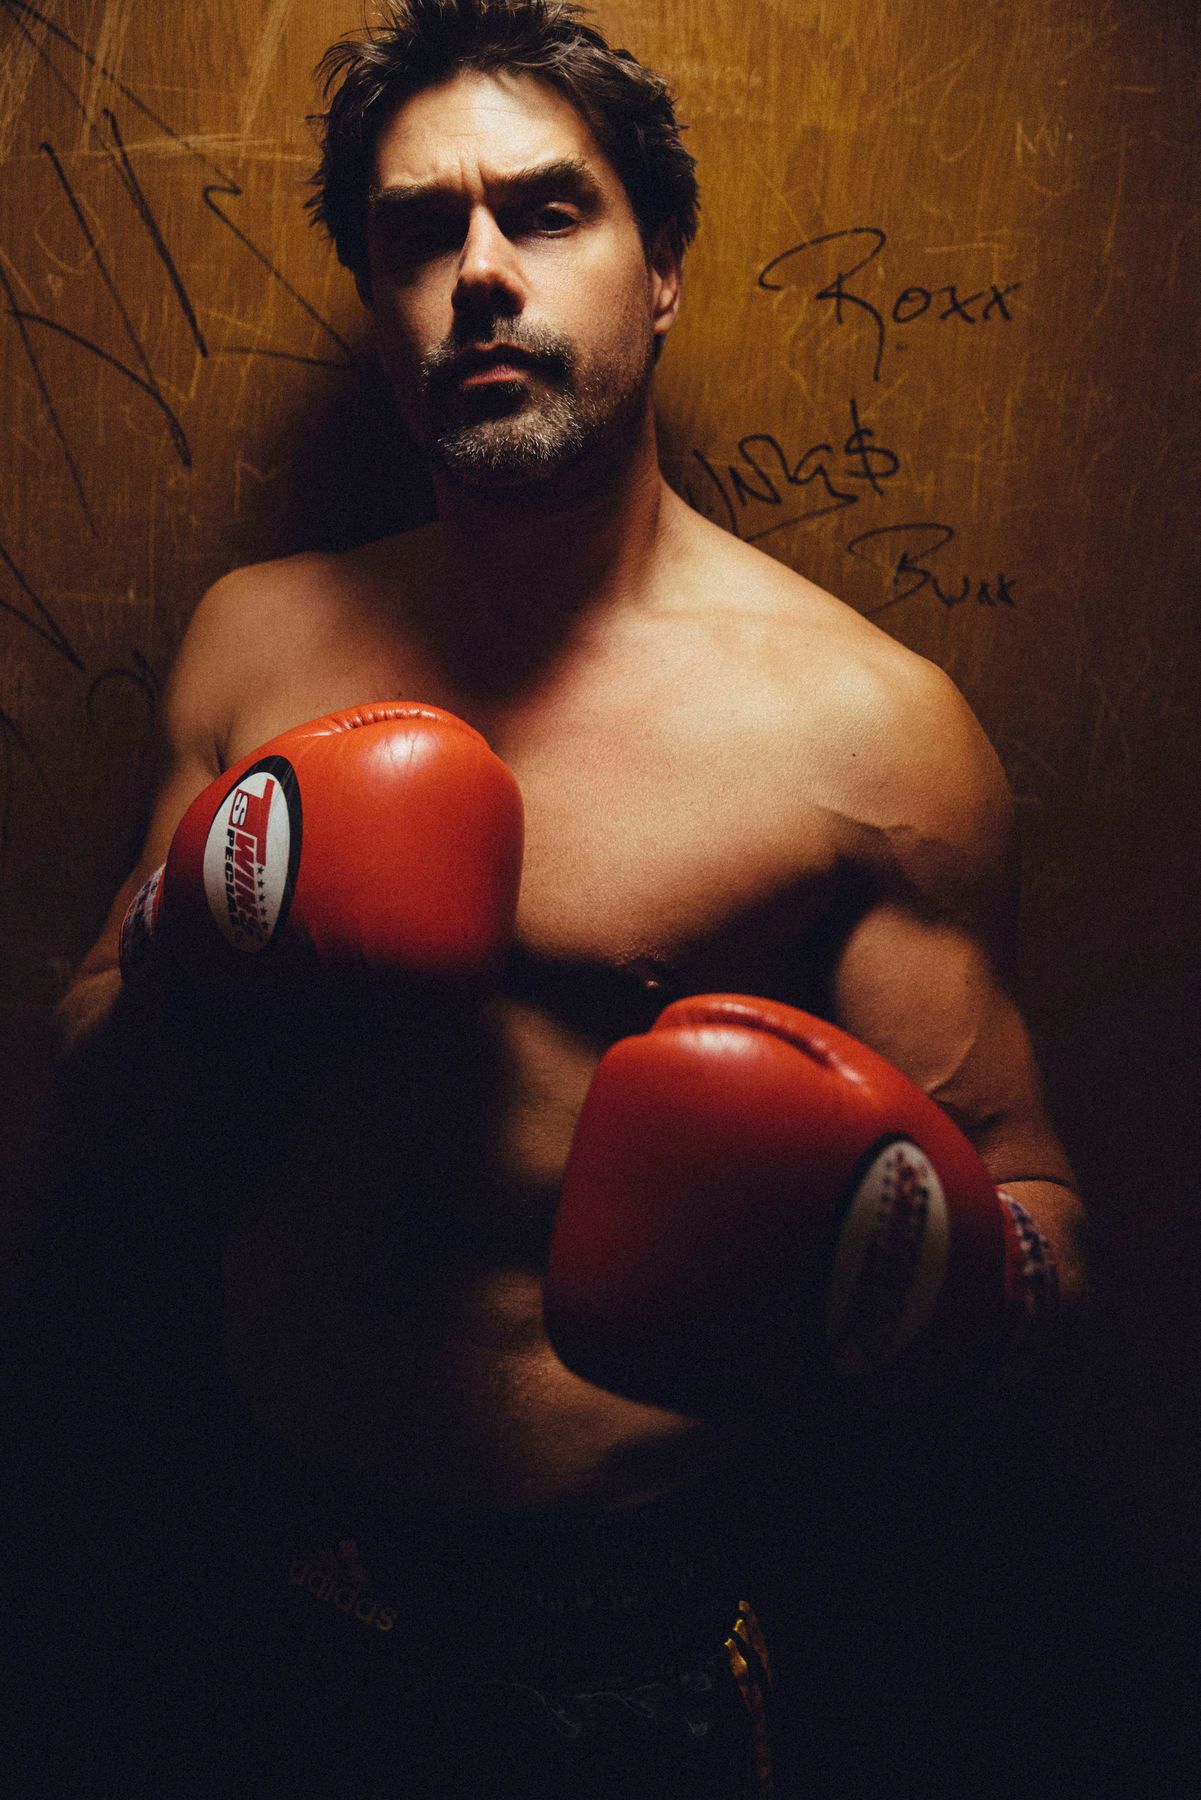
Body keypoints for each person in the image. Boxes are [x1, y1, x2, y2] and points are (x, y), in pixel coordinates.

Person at [47, 1, 1084, 1793]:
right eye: (415, 232)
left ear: (658, 269)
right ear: (375, 295)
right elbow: (91, 1104)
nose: (478, 275)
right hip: (246, 1548)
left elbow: (1026, 1201)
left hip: (618, 1627)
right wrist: (185, 954)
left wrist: (955, 1283)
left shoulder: (864, 732)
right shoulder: (256, 642)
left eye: (544, 211)